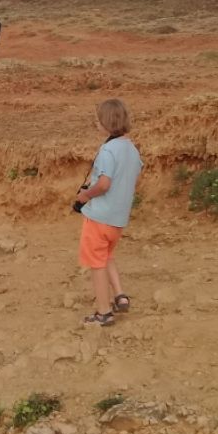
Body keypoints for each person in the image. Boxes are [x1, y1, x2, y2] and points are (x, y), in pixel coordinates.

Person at [75, 99, 143, 327]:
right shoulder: (132, 150)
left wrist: (85, 196)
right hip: (118, 219)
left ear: (106, 122)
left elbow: (104, 184)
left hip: (100, 216)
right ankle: (120, 295)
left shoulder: (107, 150)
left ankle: (103, 312)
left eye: (97, 120)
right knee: (106, 256)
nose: (96, 124)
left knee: (97, 264)